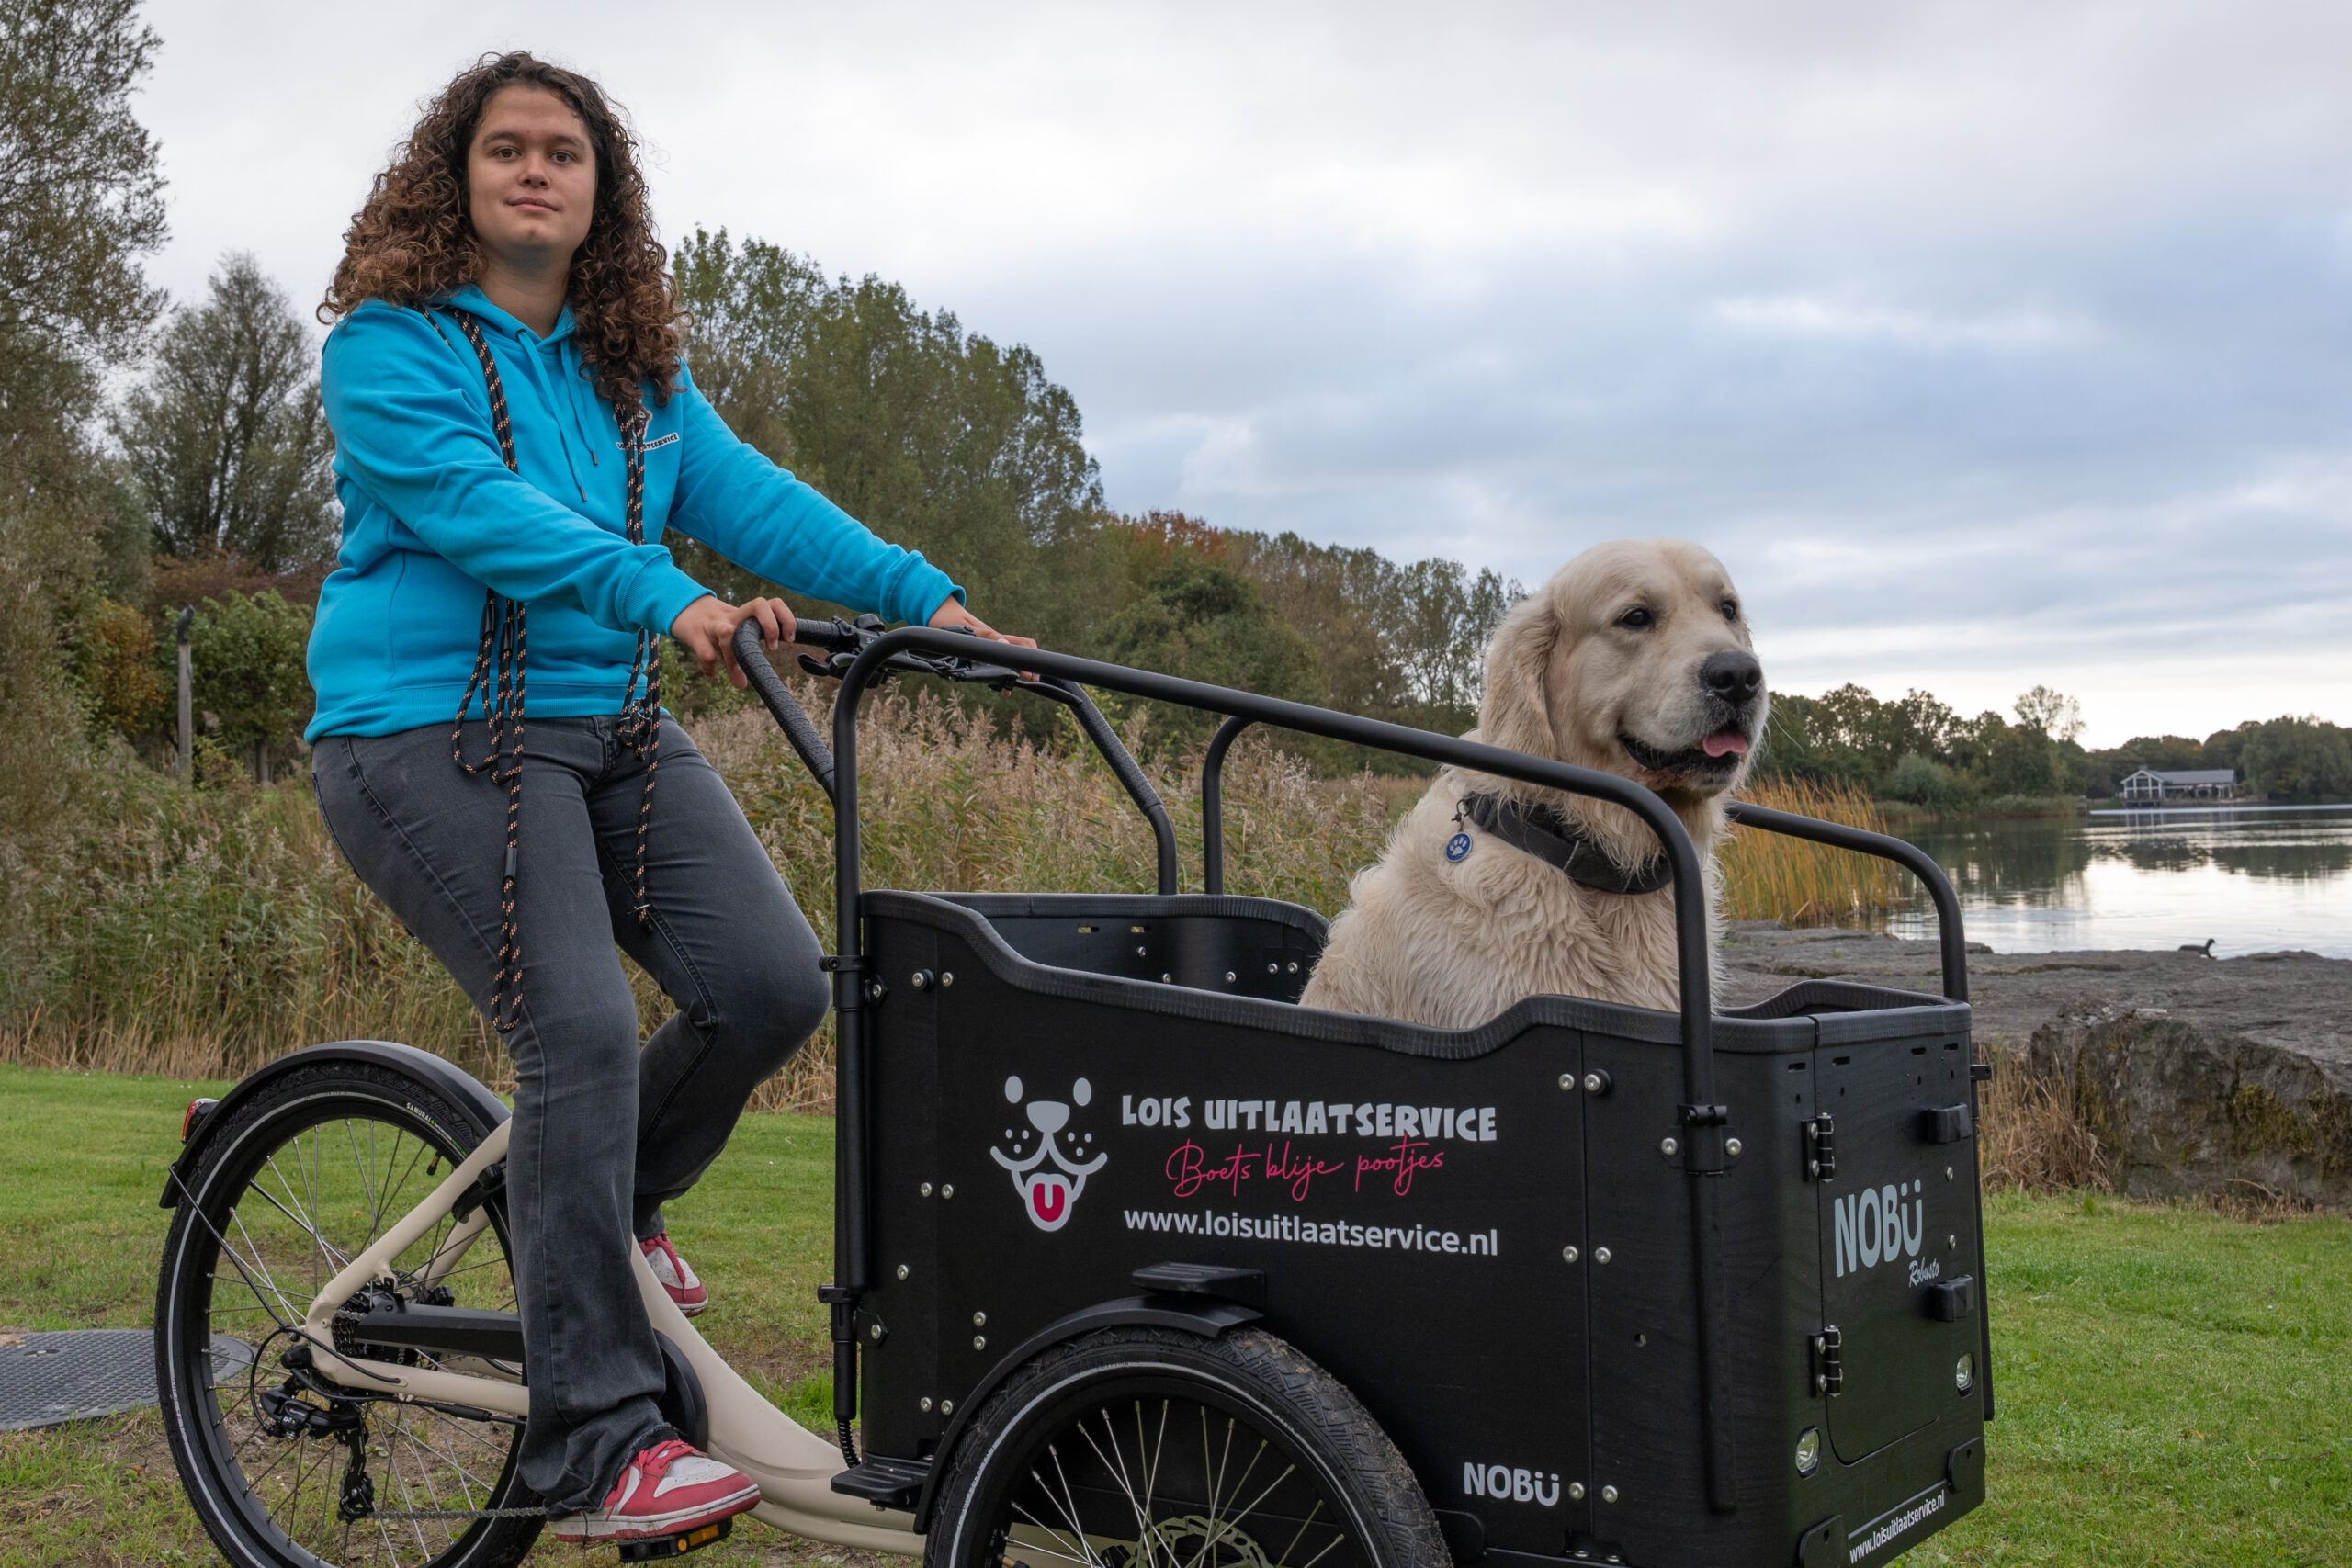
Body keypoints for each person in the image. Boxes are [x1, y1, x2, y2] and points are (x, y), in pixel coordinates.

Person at [305, 51, 1031, 1544]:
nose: (533, 171)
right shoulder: (389, 350)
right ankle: (593, 1444)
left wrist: (934, 606)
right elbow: (482, 513)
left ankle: (602, 1213)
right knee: (575, 1032)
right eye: (504, 149)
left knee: (771, 986)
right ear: (457, 180)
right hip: (428, 733)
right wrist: (661, 592)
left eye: (563, 153)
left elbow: (757, 498)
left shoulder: (631, 370)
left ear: (598, 193)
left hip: (609, 728)